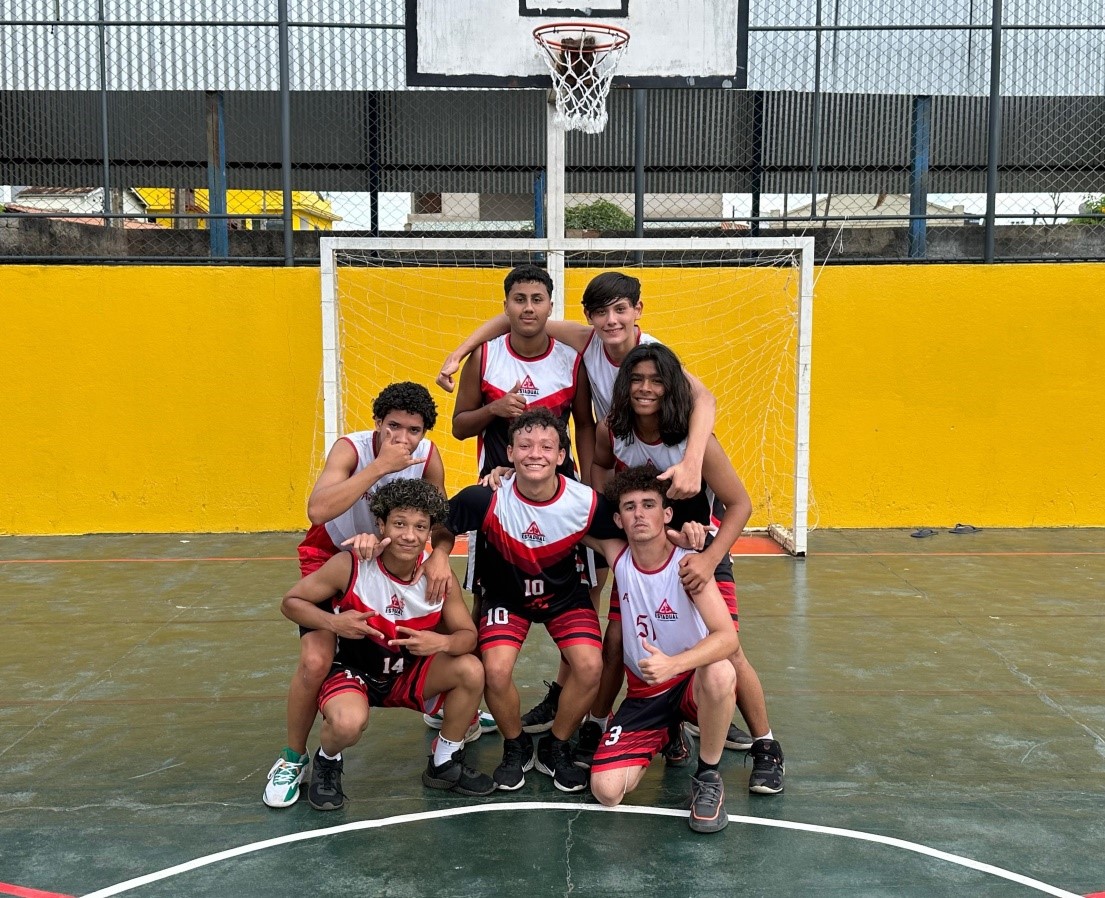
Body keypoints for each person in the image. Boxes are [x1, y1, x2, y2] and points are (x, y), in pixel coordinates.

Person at [438, 271, 723, 735]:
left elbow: (693, 401)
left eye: (538, 300)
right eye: (519, 300)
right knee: (486, 603)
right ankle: (469, 704)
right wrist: (465, 364)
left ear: (637, 312)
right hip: (511, 494)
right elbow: (466, 412)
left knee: (592, 599)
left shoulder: (629, 356)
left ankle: (687, 701)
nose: (529, 308)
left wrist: (599, 484)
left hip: (596, 496)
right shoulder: (561, 345)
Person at [263, 382, 486, 809]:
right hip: (337, 554)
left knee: (449, 645)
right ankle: (294, 758)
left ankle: (447, 720)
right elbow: (317, 510)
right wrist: (381, 467)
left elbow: (439, 519)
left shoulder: (428, 457)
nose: (403, 438)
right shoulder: (352, 450)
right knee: (316, 660)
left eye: (414, 430)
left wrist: (440, 554)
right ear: (378, 424)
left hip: (396, 557)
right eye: (393, 427)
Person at [588, 342, 785, 795]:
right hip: (646, 552)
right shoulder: (612, 429)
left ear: (671, 387)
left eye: (656, 380)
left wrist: (710, 558)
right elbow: (599, 466)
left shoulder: (694, 441)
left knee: (727, 652)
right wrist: (608, 509)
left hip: (700, 552)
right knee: (617, 639)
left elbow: (740, 504)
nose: (645, 388)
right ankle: (652, 724)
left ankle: (765, 745)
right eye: (636, 379)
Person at [432, 408, 623, 794]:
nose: (535, 453)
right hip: (507, 598)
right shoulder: (485, 497)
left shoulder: (586, 502)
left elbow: (616, 540)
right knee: (495, 670)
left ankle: (557, 744)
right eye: (525, 445)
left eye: (546, 447)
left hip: (564, 597)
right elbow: (443, 524)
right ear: (510, 453)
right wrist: (438, 554)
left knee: (590, 666)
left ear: (561, 455)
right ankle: (515, 744)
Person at [280, 479, 495, 810]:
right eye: (399, 524)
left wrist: (441, 641)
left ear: (429, 532)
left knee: (471, 669)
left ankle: (444, 760)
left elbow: (468, 636)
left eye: (420, 526)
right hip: (354, 672)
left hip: (407, 674)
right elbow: (291, 602)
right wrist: (334, 623)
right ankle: (328, 760)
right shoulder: (350, 565)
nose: (409, 535)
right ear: (381, 525)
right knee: (347, 723)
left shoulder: (439, 577)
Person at [585, 466, 738, 833]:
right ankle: (668, 732)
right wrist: (507, 484)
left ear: (667, 514)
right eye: (630, 507)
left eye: (649, 505)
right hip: (645, 694)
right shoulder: (618, 556)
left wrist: (674, 664)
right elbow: (563, 514)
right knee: (607, 791)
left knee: (720, 671)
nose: (639, 514)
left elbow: (727, 638)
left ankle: (708, 777)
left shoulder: (689, 565)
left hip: (689, 683)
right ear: (618, 520)